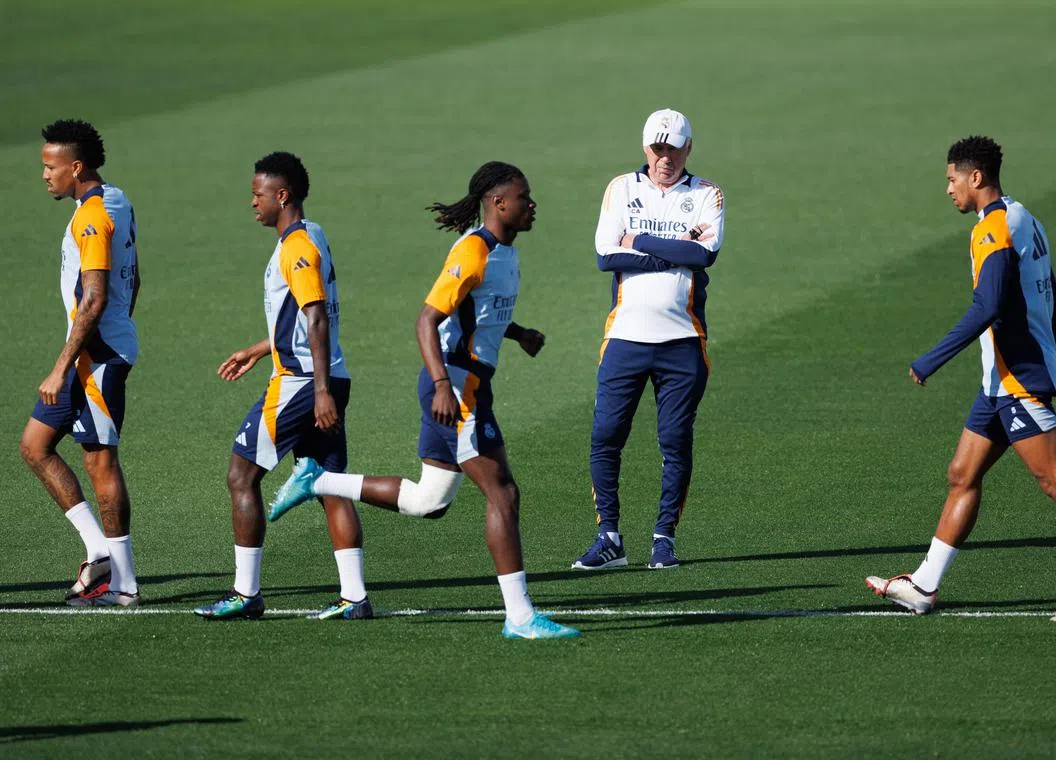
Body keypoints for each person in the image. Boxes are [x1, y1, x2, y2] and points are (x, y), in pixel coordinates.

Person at [268, 161, 579, 639]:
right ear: (498, 203)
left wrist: (518, 334)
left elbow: (476, 312)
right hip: (456, 387)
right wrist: (440, 385)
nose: (531, 204)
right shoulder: (474, 252)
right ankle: (520, 617)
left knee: (429, 502)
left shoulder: (504, 253)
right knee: (503, 493)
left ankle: (319, 480)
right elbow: (427, 320)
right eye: (524, 196)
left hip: (469, 383)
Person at [866, 136, 1056, 623]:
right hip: (999, 381)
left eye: (951, 179)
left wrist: (930, 359)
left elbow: (990, 304)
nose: (948, 189)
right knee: (963, 474)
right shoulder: (1024, 216)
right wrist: (1048, 351)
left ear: (974, 177)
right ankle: (924, 585)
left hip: (1016, 379)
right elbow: (1055, 293)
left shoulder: (993, 228)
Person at [193, 152, 371, 621]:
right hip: (325, 376)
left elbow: (314, 316)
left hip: (302, 384)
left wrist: (319, 391)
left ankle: (245, 593)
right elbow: (301, 314)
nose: (252, 202)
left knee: (241, 474)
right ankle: (355, 598)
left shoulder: (295, 246)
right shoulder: (313, 235)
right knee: (330, 484)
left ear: (282, 195)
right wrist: (260, 349)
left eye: (258, 194)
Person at [572, 108, 725, 571]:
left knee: (675, 440)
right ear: (645, 148)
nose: (665, 159)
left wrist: (637, 240)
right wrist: (673, 252)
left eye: (673, 149)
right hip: (625, 338)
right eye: (658, 149)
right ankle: (609, 537)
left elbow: (705, 253)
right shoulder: (621, 188)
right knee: (605, 437)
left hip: (683, 340)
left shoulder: (706, 194)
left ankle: (664, 539)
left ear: (688, 149)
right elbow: (604, 255)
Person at [20, 119, 141, 607]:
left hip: (95, 356)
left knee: (99, 460)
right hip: (94, 349)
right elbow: (134, 280)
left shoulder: (91, 217)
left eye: (51, 167)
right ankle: (98, 552)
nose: (45, 176)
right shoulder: (118, 200)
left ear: (76, 166)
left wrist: (62, 364)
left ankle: (126, 583)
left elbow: (92, 299)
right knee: (35, 445)